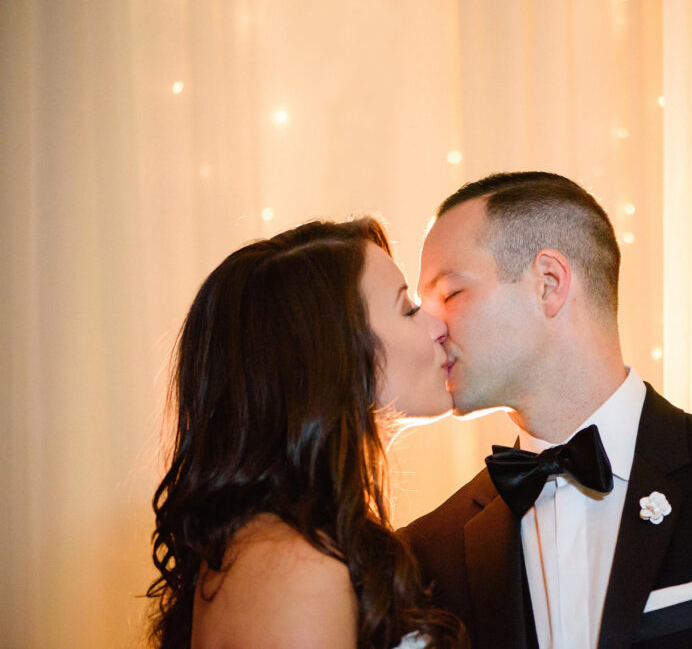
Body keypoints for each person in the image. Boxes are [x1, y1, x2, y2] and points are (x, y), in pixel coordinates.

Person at [402, 172, 692, 648]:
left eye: (450, 293)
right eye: (420, 306)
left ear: (548, 283)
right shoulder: (427, 552)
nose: (430, 328)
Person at [147, 219, 464, 648]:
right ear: (330, 356)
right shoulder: (292, 565)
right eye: (407, 308)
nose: (439, 325)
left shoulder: (280, 543)